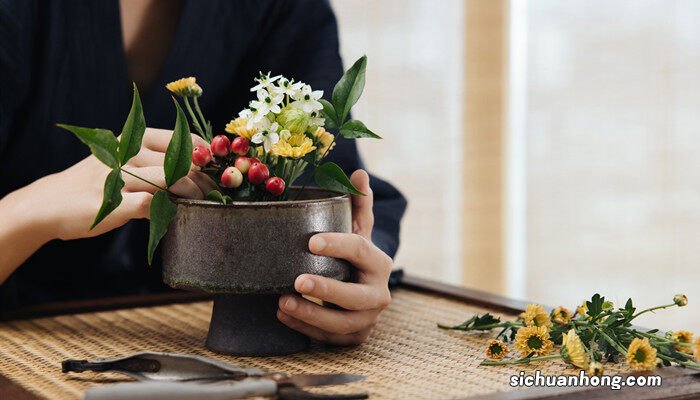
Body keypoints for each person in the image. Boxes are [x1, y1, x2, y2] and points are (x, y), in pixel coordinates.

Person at [0, 0, 406, 345]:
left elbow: (328, 191)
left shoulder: (277, 9)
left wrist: (348, 277)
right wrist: (23, 212)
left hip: (200, 337)